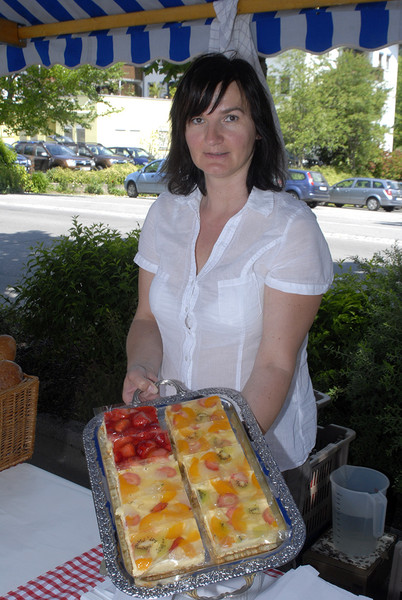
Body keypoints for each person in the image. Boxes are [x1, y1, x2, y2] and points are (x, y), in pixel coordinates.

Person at [122, 53, 333, 510]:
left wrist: (219, 455)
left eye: (230, 117)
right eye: (198, 119)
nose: (212, 136)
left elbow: (275, 364)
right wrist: (141, 368)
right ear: (183, 131)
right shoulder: (165, 214)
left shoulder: (290, 228)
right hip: (171, 433)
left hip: (255, 449)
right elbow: (146, 319)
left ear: (258, 128)